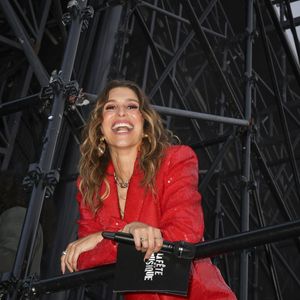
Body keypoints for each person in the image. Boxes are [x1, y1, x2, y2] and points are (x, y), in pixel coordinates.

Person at [60, 79, 236, 300]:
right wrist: (125, 234)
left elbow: (185, 233)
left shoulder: (176, 159)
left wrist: (105, 238)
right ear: (100, 129)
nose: (121, 112)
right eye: (111, 107)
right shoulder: (90, 185)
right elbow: (82, 258)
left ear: (145, 125)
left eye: (131, 106)